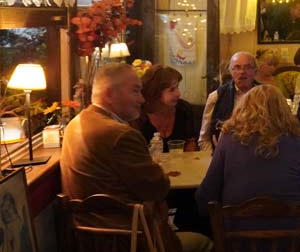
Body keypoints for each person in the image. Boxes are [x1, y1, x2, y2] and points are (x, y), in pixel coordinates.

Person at [60, 63, 211, 252]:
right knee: (203, 242)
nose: (142, 99)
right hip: (129, 238)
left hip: (89, 237)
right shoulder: (121, 134)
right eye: (135, 91)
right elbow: (158, 188)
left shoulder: (75, 123)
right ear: (109, 94)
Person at [196, 85, 300, 237]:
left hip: (237, 242)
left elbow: (206, 197)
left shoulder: (228, 140)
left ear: (244, 108)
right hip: (294, 241)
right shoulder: (299, 142)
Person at [198, 52, 258, 151]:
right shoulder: (216, 96)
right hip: (224, 154)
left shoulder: (267, 96)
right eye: (237, 67)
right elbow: (204, 139)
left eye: (248, 67)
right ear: (230, 71)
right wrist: (216, 156)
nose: (242, 72)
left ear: (255, 71)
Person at [132, 64, 198, 152]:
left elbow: (190, 142)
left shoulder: (183, 108)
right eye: (172, 89)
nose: (178, 94)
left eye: (177, 87)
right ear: (155, 91)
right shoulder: (139, 113)